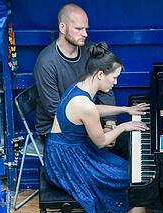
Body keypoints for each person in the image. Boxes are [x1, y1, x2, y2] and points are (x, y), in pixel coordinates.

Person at [43, 42, 163, 213]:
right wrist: (123, 126)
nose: (116, 82)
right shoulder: (84, 104)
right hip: (66, 163)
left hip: (65, 151)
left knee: (128, 170)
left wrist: (125, 109)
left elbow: (95, 109)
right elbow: (101, 142)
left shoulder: (79, 87)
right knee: (131, 178)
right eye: (114, 77)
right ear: (101, 74)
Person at [34, 3, 126, 156]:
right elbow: (55, 111)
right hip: (58, 132)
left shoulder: (89, 52)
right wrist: (96, 132)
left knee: (127, 143)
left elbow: (105, 89)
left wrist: (110, 124)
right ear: (62, 28)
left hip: (88, 121)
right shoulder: (46, 63)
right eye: (78, 29)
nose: (85, 34)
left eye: (86, 28)